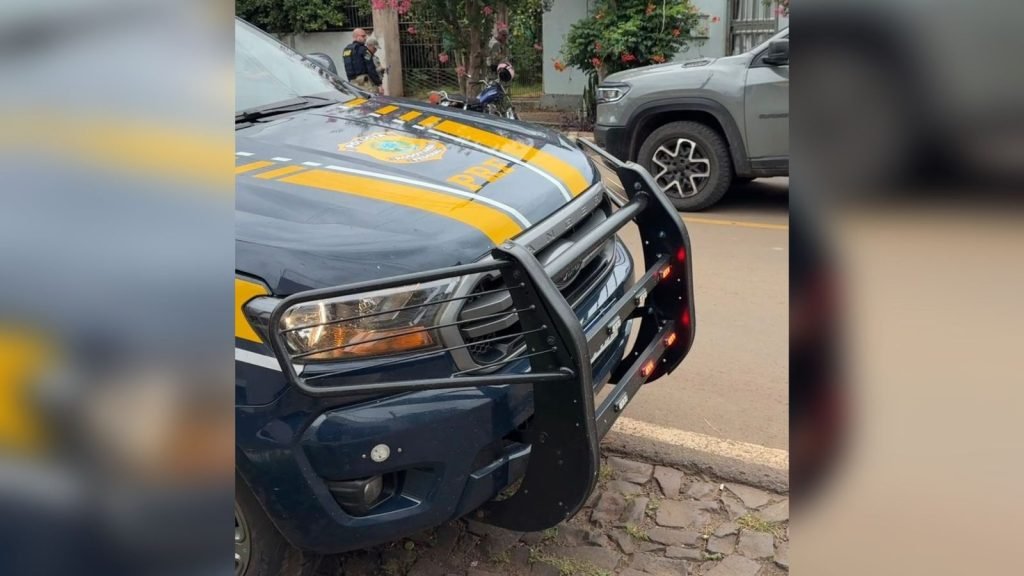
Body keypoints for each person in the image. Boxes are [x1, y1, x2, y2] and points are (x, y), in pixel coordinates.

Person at [342, 28, 382, 93]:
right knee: (373, 98)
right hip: (365, 84)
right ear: (357, 36)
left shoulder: (346, 50)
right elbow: (371, 69)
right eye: (363, 36)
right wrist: (379, 84)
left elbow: (347, 67)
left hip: (353, 84)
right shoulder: (363, 50)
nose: (365, 38)